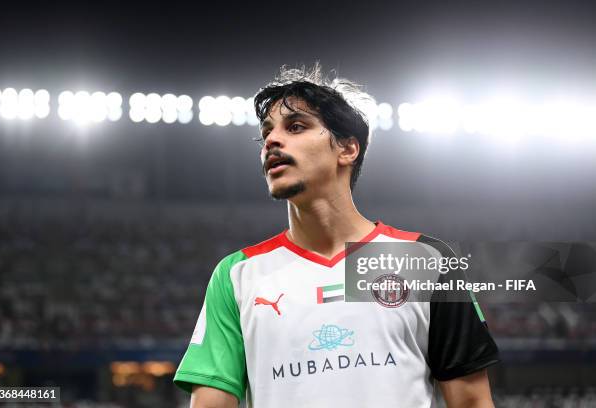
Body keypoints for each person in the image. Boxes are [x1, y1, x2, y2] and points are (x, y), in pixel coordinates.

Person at [174, 64, 499, 408]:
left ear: (347, 149)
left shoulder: (425, 260)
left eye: (296, 126)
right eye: (266, 132)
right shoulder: (237, 275)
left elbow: (471, 401)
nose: (271, 140)